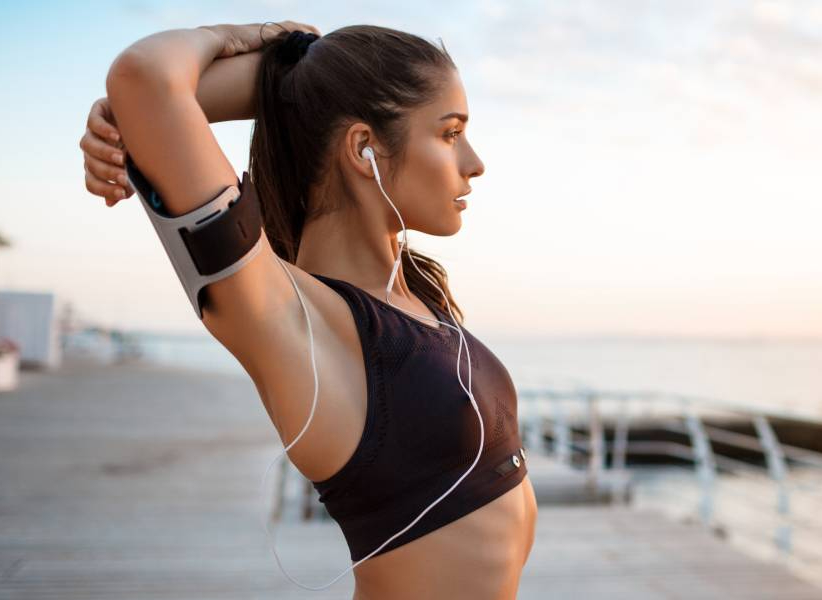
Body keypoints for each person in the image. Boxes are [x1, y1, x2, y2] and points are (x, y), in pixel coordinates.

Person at [78, 21, 537, 600]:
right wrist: (257, 39)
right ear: (363, 148)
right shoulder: (290, 316)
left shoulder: (412, 295)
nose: (475, 162)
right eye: (450, 133)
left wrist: (298, 68)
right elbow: (146, 79)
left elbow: (144, 100)